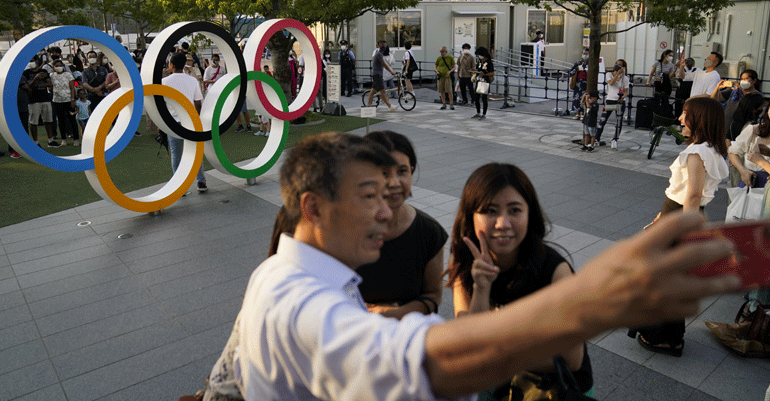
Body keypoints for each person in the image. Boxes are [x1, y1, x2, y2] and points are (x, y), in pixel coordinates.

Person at [214, 131, 739, 401]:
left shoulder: (279, 275)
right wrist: (592, 302)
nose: (385, 210)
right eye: (369, 195)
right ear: (312, 208)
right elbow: (431, 363)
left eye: (390, 190)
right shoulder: (302, 300)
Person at [446, 163, 593, 400]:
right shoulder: (466, 263)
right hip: (498, 379)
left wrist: (496, 355)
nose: (503, 223)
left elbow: (572, 359)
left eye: (514, 210)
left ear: (529, 214)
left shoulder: (555, 272)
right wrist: (481, 289)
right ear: (471, 215)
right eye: (490, 211)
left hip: (554, 388)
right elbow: (471, 343)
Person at [629, 96, 729, 357]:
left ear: (700, 119)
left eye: (686, 114)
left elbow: (693, 195)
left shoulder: (697, 152)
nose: (680, 119)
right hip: (678, 213)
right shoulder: (710, 148)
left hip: (682, 217)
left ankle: (665, 338)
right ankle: (669, 337)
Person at [356, 131, 446, 319]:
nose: (394, 182)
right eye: (384, 173)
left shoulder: (430, 233)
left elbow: (433, 295)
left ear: (412, 171)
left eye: (402, 171)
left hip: (407, 337)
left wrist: (392, 314)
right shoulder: (345, 229)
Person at [162, 52, 207, 193]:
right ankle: (201, 182)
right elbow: (198, 102)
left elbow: (161, 105)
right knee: (195, 153)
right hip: (191, 122)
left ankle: (179, 186)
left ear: (172, 65)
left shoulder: (164, 82)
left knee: (176, 155)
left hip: (173, 122)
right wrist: (196, 117)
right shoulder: (192, 80)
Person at [712, 69, 763, 140]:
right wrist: (717, 88)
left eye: (746, 79)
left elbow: (747, 107)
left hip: (743, 128)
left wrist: (739, 92)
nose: (743, 81)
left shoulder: (757, 96)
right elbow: (714, 98)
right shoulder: (734, 91)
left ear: (754, 81)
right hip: (726, 125)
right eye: (742, 79)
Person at [728, 103, 770, 188]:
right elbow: (733, 151)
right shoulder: (754, 130)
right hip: (749, 185)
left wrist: (761, 162)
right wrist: (743, 171)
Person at [23, 57, 59, 147]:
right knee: (34, 122)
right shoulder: (26, 73)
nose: (31, 63)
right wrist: (36, 79)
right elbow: (29, 86)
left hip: (45, 98)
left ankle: (50, 140)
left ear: (36, 61)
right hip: (33, 100)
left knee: (48, 120)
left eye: (32, 61)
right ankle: (36, 142)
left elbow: (50, 83)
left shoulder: (43, 71)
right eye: (29, 61)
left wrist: (37, 84)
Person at [596, 59, 629, 149]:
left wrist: (623, 97)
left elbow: (626, 91)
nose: (617, 66)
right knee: (603, 119)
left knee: (618, 121)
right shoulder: (609, 75)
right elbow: (611, 83)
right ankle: (597, 138)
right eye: (616, 64)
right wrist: (617, 74)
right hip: (610, 100)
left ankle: (615, 139)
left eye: (620, 65)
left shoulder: (625, 78)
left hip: (619, 101)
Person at [49, 59, 78, 147]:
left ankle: (76, 139)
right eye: (56, 66)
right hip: (57, 101)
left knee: (72, 120)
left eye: (60, 65)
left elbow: (72, 87)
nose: (59, 67)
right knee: (61, 121)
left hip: (68, 100)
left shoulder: (68, 75)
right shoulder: (51, 75)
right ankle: (63, 139)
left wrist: (72, 99)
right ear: (53, 67)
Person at [366, 42, 397, 111]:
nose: (384, 47)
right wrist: (391, 72)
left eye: (385, 46)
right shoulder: (379, 54)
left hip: (377, 74)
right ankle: (390, 106)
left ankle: (368, 104)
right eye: (383, 46)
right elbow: (384, 65)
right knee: (382, 91)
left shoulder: (380, 54)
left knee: (373, 90)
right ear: (379, 46)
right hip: (377, 75)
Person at [472, 46, 495, 120]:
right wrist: (475, 71)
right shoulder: (479, 61)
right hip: (479, 81)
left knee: (484, 98)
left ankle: (484, 114)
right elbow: (478, 69)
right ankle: (478, 112)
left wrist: (484, 74)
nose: (479, 56)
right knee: (476, 97)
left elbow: (492, 72)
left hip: (485, 81)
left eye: (479, 54)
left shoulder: (489, 62)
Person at [569, 48, 590, 120]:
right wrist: (577, 69)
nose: (585, 55)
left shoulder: (590, 63)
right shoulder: (578, 62)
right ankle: (577, 113)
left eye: (586, 54)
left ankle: (583, 113)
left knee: (584, 97)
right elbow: (571, 71)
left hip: (586, 82)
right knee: (576, 98)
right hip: (578, 82)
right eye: (584, 54)